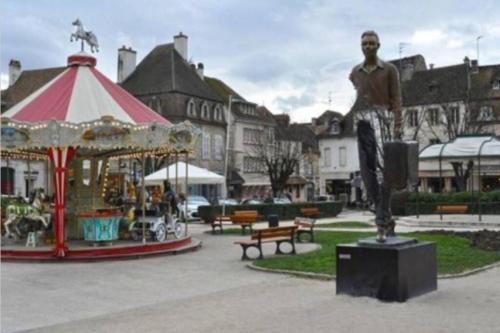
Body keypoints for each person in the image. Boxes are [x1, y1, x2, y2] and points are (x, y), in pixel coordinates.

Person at [349, 30, 402, 242]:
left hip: (384, 118)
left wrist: (398, 124)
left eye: (372, 43)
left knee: (383, 173)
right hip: (362, 120)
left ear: (378, 46)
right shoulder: (355, 72)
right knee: (365, 170)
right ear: (361, 47)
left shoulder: (389, 69)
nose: (368, 46)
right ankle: (387, 219)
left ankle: (381, 223)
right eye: (365, 43)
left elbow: (397, 98)